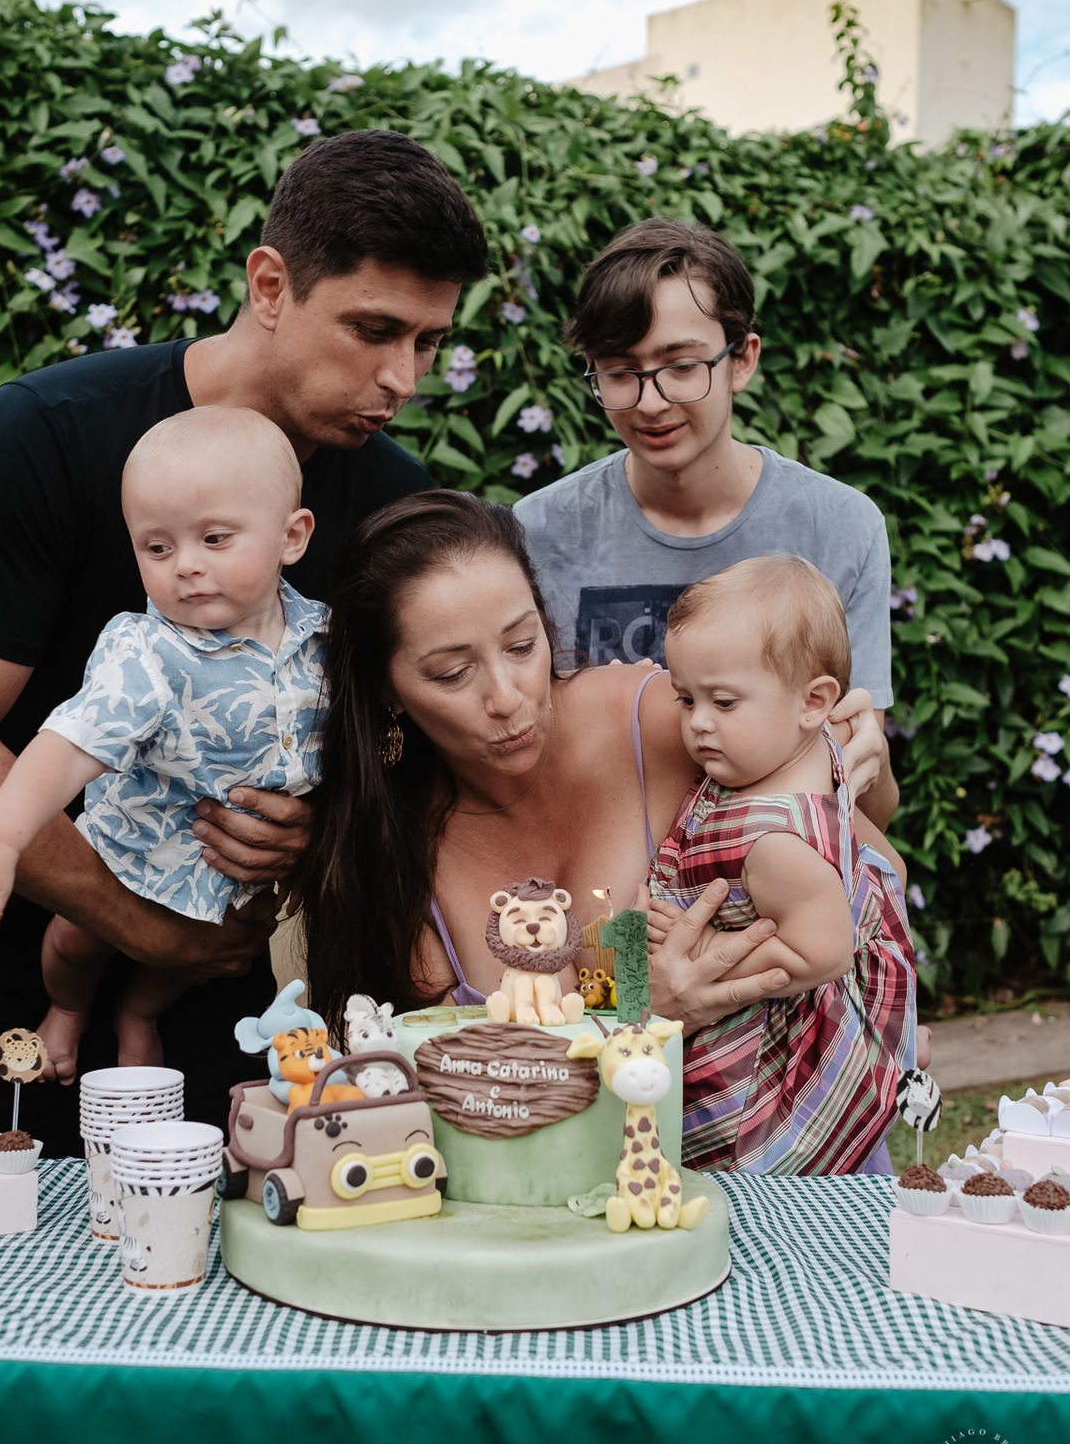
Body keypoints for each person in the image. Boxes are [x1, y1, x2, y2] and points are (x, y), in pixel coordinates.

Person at [0, 131, 488, 1152]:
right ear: (271, 284)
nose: (405, 376)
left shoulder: (394, 503)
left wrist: (316, 827)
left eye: (427, 341)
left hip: (237, 1020)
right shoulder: (49, 432)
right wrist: (145, 924)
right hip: (7, 1008)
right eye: (375, 328)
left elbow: (410, 763)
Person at [298, 490, 902, 1172]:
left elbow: (876, 871)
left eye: (523, 645)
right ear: (388, 691)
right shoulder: (393, 856)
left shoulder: (666, 723)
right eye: (452, 673)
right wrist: (642, 1010)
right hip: (586, 1207)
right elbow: (461, 1114)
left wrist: (855, 769)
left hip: (812, 1166)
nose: (507, 695)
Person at [0, 407, 327, 1085]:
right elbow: (70, 743)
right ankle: (68, 1011)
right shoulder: (149, 650)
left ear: (292, 536)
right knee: (76, 940)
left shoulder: (326, 639)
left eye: (215, 539)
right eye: (157, 549)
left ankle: (139, 1014)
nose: (185, 568)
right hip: (134, 846)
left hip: (234, 868)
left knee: (207, 955)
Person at [514, 219, 899, 831]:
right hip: (606, 899)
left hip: (776, 892)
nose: (650, 402)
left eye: (682, 366)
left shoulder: (839, 526)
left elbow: (866, 808)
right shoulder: (538, 531)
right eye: (619, 372)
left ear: (741, 360)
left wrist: (867, 769)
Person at [644, 554, 915, 1173]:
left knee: (751, 1180)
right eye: (686, 698)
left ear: (814, 701)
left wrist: (719, 947)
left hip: (770, 1068)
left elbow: (823, 951)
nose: (698, 724)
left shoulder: (775, 841)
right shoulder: (795, 752)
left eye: (725, 702)